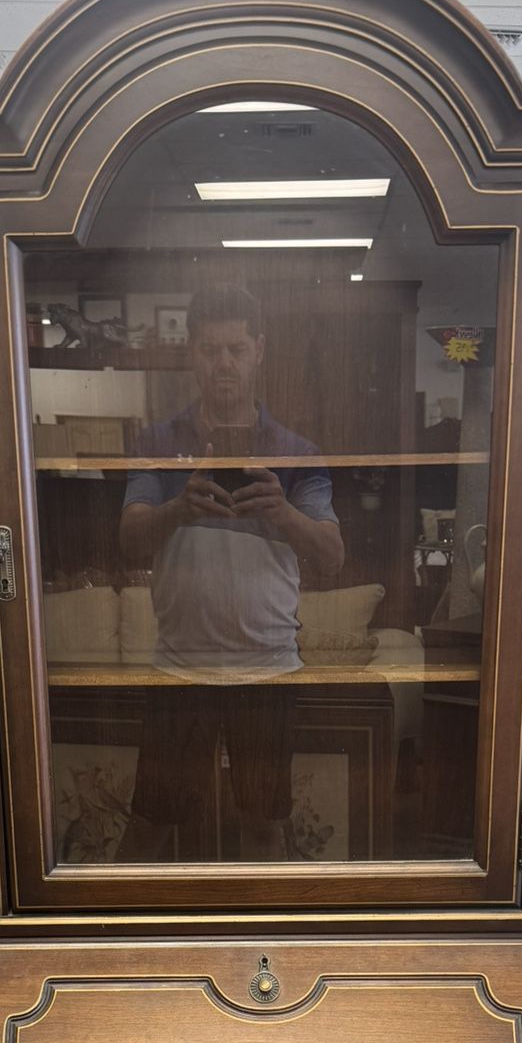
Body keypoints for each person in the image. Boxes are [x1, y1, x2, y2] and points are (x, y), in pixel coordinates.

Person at [115, 283, 343, 861]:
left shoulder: (296, 453)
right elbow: (129, 542)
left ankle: (270, 951)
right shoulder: (157, 445)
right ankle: (114, 950)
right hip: (180, 670)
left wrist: (283, 512)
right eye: (211, 349)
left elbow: (332, 554)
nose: (224, 363)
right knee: (149, 826)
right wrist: (178, 506)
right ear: (191, 351)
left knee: (264, 827)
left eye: (236, 349)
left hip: (268, 670)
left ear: (259, 350)